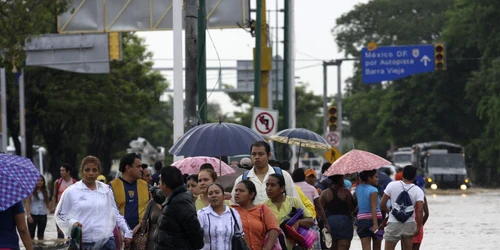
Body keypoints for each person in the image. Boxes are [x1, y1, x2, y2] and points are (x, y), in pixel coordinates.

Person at [55, 156, 132, 250]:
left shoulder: (106, 190)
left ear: (99, 172)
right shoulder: (72, 191)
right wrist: (72, 222)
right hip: (81, 243)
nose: (90, 173)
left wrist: (127, 231)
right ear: (82, 171)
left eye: (94, 170)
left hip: (106, 242)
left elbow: (115, 213)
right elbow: (60, 214)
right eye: (87, 170)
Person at [231, 141, 299, 204]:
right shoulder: (242, 179)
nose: (257, 157)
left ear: (269, 155)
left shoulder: (283, 176)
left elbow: (295, 201)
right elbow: (233, 204)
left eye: (261, 154)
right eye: (254, 154)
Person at [155, 166, 204, 250]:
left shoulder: (180, 203)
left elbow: (195, 235)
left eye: (160, 182)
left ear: (165, 185)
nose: (159, 185)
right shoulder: (175, 198)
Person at [263, 173, 314, 250]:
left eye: (273, 185)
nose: (268, 188)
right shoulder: (264, 206)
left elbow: (310, 221)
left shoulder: (293, 202)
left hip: (293, 246)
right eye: (267, 185)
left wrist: (298, 222)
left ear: (282, 188)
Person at [380, 165, 425, 250]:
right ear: (415, 176)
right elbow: (419, 210)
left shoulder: (392, 185)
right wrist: (418, 227)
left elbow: (382, 205)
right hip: (409, 223)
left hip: (393, 223)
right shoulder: (418, 191)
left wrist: (390, 212)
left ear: (402, 174)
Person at [232, 180, 280, 250]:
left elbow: (274, 229)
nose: (237, 193)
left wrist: (267, 248)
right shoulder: (231, 211)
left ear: (251, 195)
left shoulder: (263, 209)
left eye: (241, 191)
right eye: (236, 190)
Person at [109, 153, 149, 230]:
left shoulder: (145, 185)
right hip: (121, 234)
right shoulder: (112, 186)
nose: (141, 169)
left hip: (141, 234)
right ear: (128, 167)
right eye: (138, 166)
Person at [198, 183, 243, 250]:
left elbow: (240, 235)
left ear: (223, 196)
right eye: (210, 194)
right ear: (207, 197)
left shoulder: (233, 214)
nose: (214, 196)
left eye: (217, 192)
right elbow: (196, 237)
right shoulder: (202, 214)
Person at [293, 168, 330, 250]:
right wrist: (326, 223)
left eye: (313, 177)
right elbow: (319, 207)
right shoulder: (312, 189)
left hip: (294, 225)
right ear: (304, 177)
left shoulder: (291, 188)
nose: (311, 179)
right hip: (311, 223)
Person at [321, 175, 355, 250]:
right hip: (345, 222)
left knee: (332, 247)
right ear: (340, 179)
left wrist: (325, 223)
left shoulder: (324, 193)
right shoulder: (345, 192)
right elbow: (352, 208)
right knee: (343, 247)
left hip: (330, 222)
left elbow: (321, 210)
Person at [354, 169, 383, 250]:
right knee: (377, 248)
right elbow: (373, 207)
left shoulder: (358, 188)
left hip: (362, 221)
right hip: (376, 220)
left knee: (365, 248)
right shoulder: (374, 190)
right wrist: (375, 224)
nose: (377, 179)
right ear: (369, 178)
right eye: (376, 177)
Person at [50, 163, 77, 239]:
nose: (61, 172)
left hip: (71, 210)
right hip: (60, 209)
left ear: (68, 172)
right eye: (60, 170)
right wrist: (53, 207)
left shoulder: (75, 183)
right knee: (60, 231)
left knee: (71, 230)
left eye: (63, 170)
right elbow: (54, 195)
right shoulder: (57, 182)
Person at [25, 175, 51, 240]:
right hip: (32, 214)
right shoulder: (30, 191)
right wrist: (28, 215)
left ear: (43, 182)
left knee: (41, 235)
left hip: (43, 214)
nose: (40, 182)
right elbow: (27, 203)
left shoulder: (46, 191)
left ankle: (40, 247)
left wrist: (52, 210)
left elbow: (48, 203)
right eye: (38, 180)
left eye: (41, 181)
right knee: (31, 235)